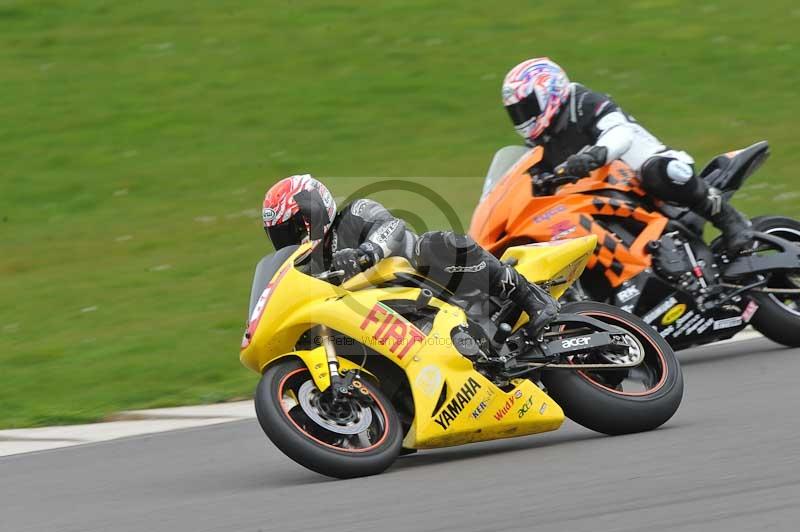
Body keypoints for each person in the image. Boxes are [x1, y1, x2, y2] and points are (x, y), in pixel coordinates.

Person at [501, 57, 754, 254]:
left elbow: (619, 132)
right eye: (517, 113)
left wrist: (594, 156)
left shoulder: (582, 101)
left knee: (659, 172)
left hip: (644, 172)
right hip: (598, 198)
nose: (522, 118)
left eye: (527, 108)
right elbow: (528, 176)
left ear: (550, 92)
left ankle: (729, 218)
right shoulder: (539, 141)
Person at [261, 174, 559, 338]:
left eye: (293, 228)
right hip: (392, 322)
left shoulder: (354, 214)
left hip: (431, 282)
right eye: (282, 235)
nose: (290, 240)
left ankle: (532, 298)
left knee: (436, 243)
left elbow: (392, 225)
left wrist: (368, 253)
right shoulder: (312, 268)